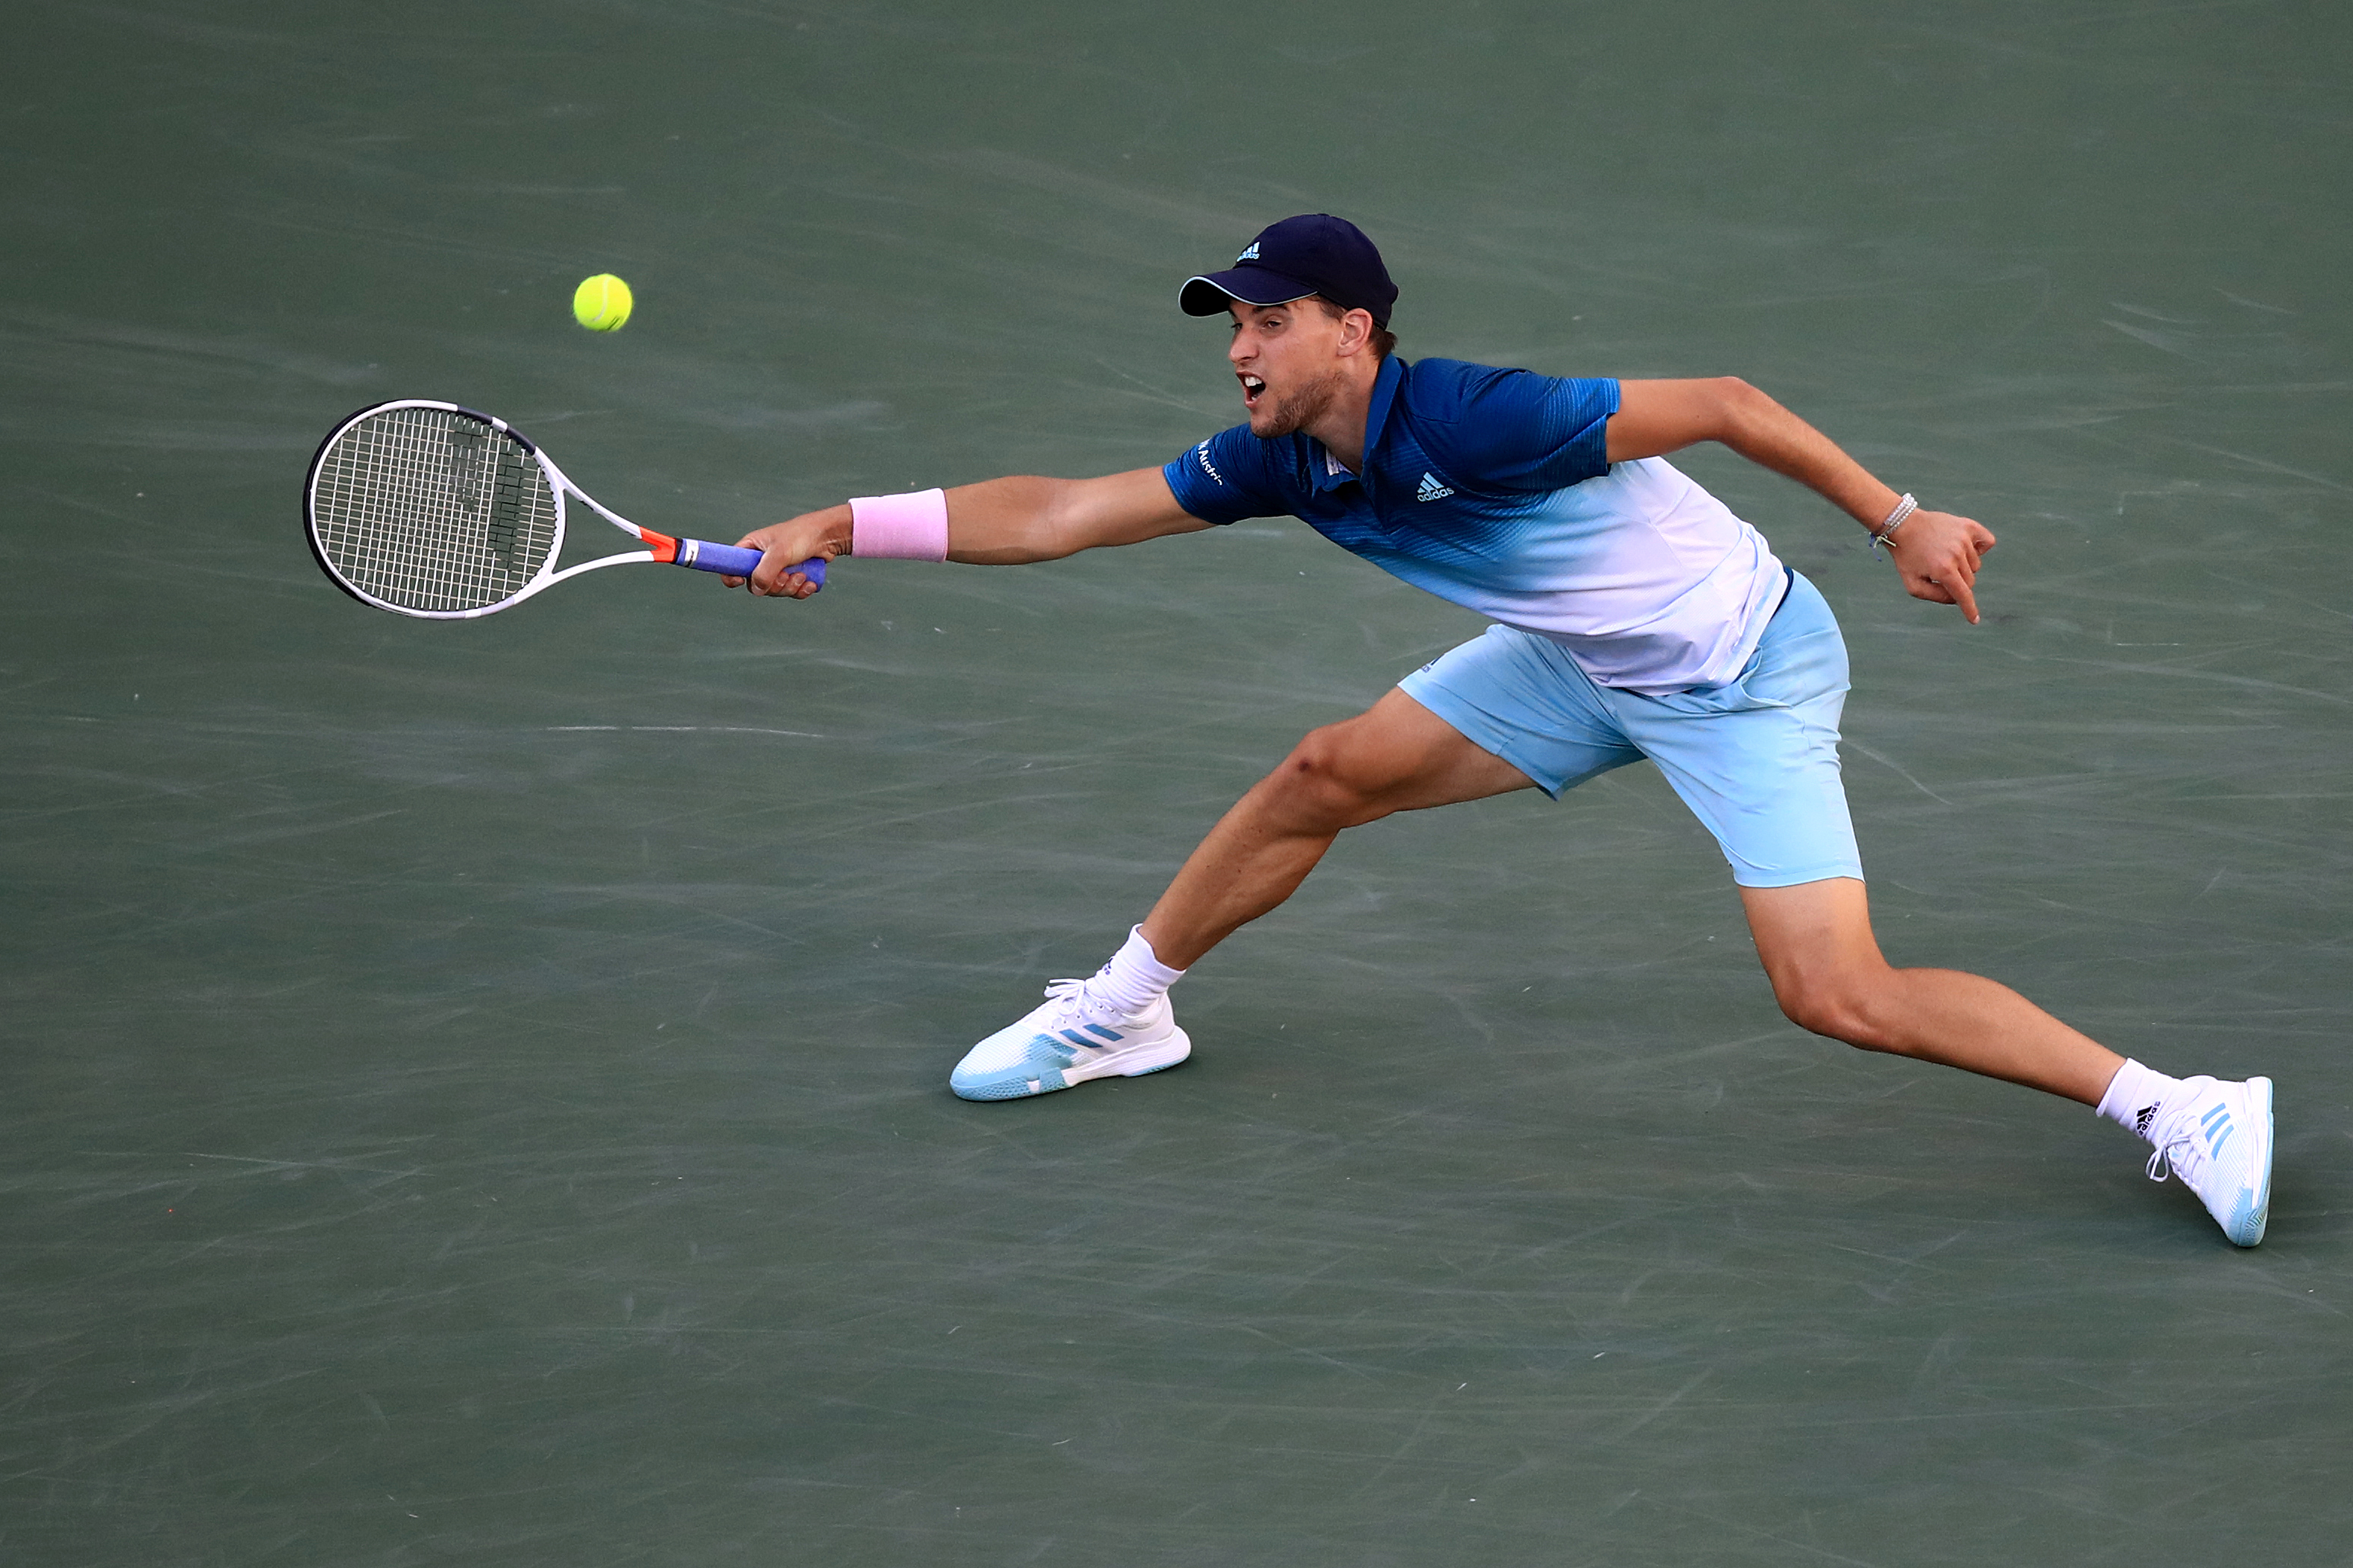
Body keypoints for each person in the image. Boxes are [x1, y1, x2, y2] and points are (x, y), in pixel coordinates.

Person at [728, 214, 2273, 1247]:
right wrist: (841, 520)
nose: (1236, 347)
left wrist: (1897, 518)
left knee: (1835, 992)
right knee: (1320, 773)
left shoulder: (1479, 416)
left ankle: (2178, 1104)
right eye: (1231, 322)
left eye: (1266, 318)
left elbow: (1729, 399)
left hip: (1739, 671)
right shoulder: (1280, 458)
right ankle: (1125, 1011)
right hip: (1571, 660)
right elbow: (1063, 511)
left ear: (1354, 328)